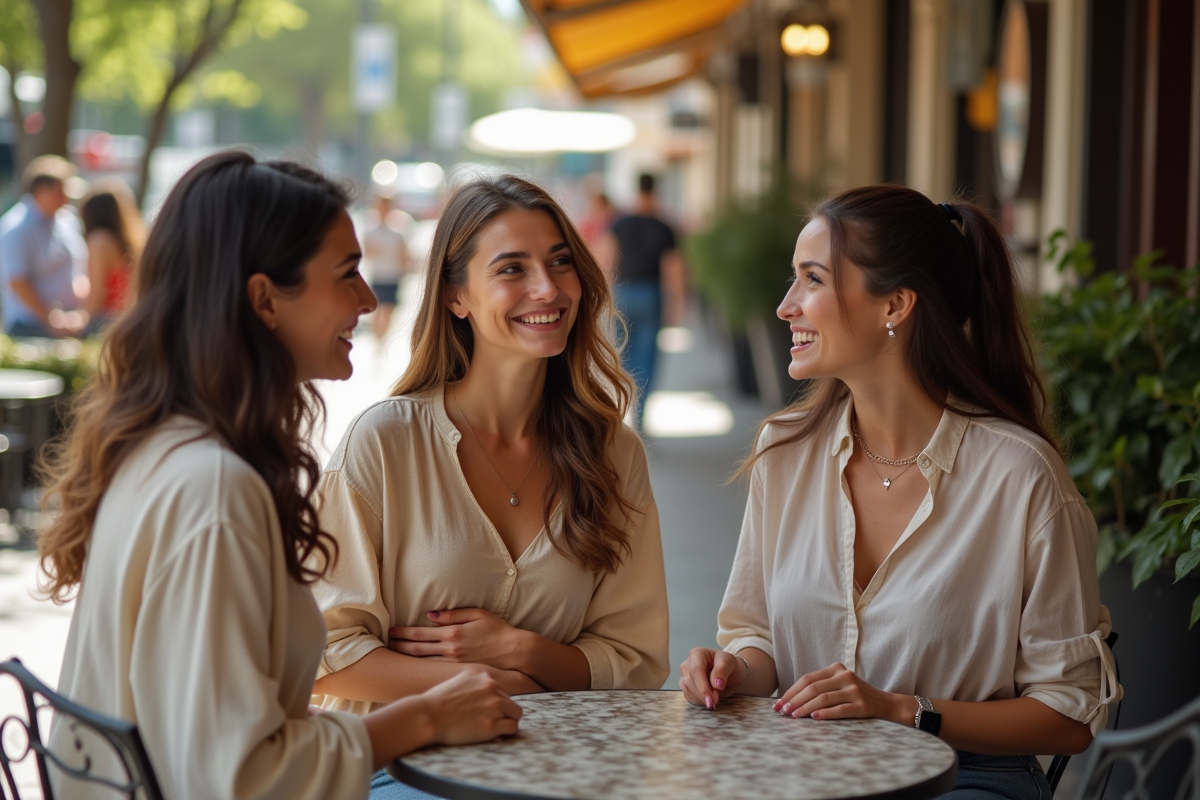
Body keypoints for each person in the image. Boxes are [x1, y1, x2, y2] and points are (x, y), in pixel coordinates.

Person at [38, 152, 522, 800]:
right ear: (265, 299)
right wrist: (427, 717)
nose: (368, 299)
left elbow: (196, 721)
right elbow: (240, 777)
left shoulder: (164, 451)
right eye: (346, 273)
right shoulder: (215, 490)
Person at [677, 186, 1121, 798]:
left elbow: (1068, 716)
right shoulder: (784, 452)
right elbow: (758, 639)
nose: (785, 306)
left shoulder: (1022, 477)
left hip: (965, 777)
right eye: (793, 279)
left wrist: (902, 709)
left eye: (812, 280)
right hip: (809, 771)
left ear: (895, 304)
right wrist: (730, 671)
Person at [310, 174, 670, 797]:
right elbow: (327, 651)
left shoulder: (614, 453)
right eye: (511, 268)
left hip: (557, 771)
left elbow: (634, 660)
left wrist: (523, 652)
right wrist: (493, 686)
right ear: (457, 297)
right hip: (400, 771)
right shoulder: (386, 441)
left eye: (560, 262)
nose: (547, 288)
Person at [602, 173, 685, 428]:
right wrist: (676, 304)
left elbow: (607, 261)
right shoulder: (664, 227)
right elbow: (673, 270)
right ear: (655, 191)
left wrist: (604, 296)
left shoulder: (619, 223)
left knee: (620, 356)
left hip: (622, 294)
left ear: (636, 189)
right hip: (651, 294)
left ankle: (620, 412)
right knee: (646, 359)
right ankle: (639, 418)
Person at [0, 155, 87, 337]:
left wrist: (81, 313)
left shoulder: (67, 220)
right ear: (41, 191)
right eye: (60, 192)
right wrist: (51, 319)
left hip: (70, 320)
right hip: (30, 326)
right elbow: (18, 282)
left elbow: (79, 269)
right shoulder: (17, 227)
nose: (66, 199)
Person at [80, 178, 144, 330]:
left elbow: (97, 297)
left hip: (107, 321)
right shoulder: (133, 242)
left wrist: (80, 320)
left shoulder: (99, 240)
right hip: (129, 318)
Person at [361, 193, 411, 344]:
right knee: (377, 308)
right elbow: (367, 252)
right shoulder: (370, 230)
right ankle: (378, 337)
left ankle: (382, 337)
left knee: (389, 308)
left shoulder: (398, 232)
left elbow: (404, 255)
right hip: (378, 274)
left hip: (394, 275)